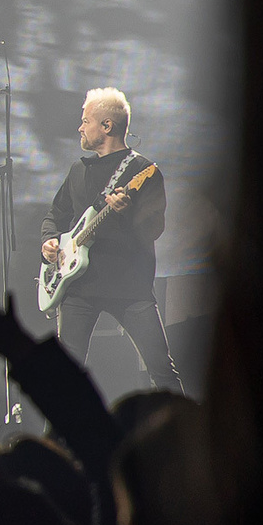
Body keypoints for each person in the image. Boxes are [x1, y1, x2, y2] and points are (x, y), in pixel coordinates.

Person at [39, 87, 179, 392]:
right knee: (65, 378)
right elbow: (56, 214)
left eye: (86, 120)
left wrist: (127, 214)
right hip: (77, 286)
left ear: (107, 126)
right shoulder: (79, 169)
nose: (80, 127)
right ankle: (56, 439)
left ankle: (184, 434)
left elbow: (154, 228)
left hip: (129, 286)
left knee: (162, 371)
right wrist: (49, 241)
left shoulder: (144, 171)